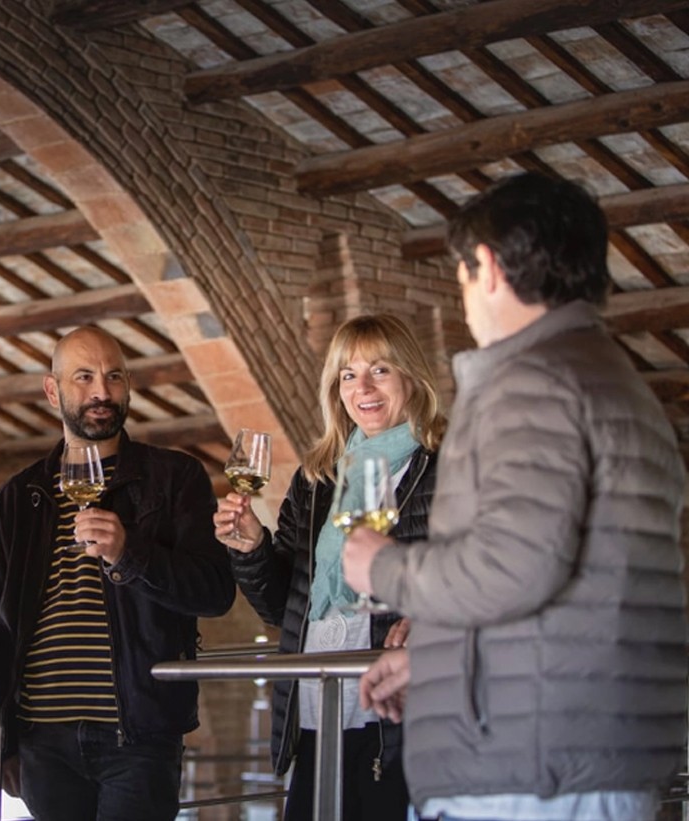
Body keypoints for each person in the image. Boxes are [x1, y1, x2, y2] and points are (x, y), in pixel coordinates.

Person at [345, 173, 688, 821]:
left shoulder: (531, 381)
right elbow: (582, 589)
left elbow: (515, 565)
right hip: (580, 750)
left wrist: (382, 565)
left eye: (463, 272)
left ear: (491, 267)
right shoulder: (615, 382)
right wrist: (437, 660)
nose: (464, 293)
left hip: (528, 770)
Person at [0, 326, 235, 821]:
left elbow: (215, 592)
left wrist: (129, 554)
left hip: (139, 735)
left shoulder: (175, 477)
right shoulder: (15, 498)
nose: (102, 392)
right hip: (41, 739)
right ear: (53, 391)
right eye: (85, 377)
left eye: (114, 377)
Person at [216, 314, 445, 821]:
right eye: (347, 375)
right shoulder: (317, 478)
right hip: (316, 698)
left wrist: (431, 616)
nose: (361, 387)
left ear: (410, 376)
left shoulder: (446, 464)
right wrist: (251, 548)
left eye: (379, 370)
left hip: (400, 708)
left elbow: (474, 574)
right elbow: (280, 606)